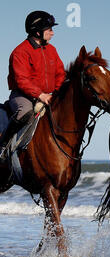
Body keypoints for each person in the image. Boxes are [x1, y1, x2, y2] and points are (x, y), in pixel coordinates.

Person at [0, 11, 66, 161]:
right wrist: (40, 95)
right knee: (25, 111)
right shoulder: (20, 52)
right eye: (49, 30)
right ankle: (3, 146)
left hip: (48, 95)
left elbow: (60, 73)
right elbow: (21, 80)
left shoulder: (52, 50)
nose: (52, 33)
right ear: (37, 32)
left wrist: (55, 93)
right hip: (23, 95)